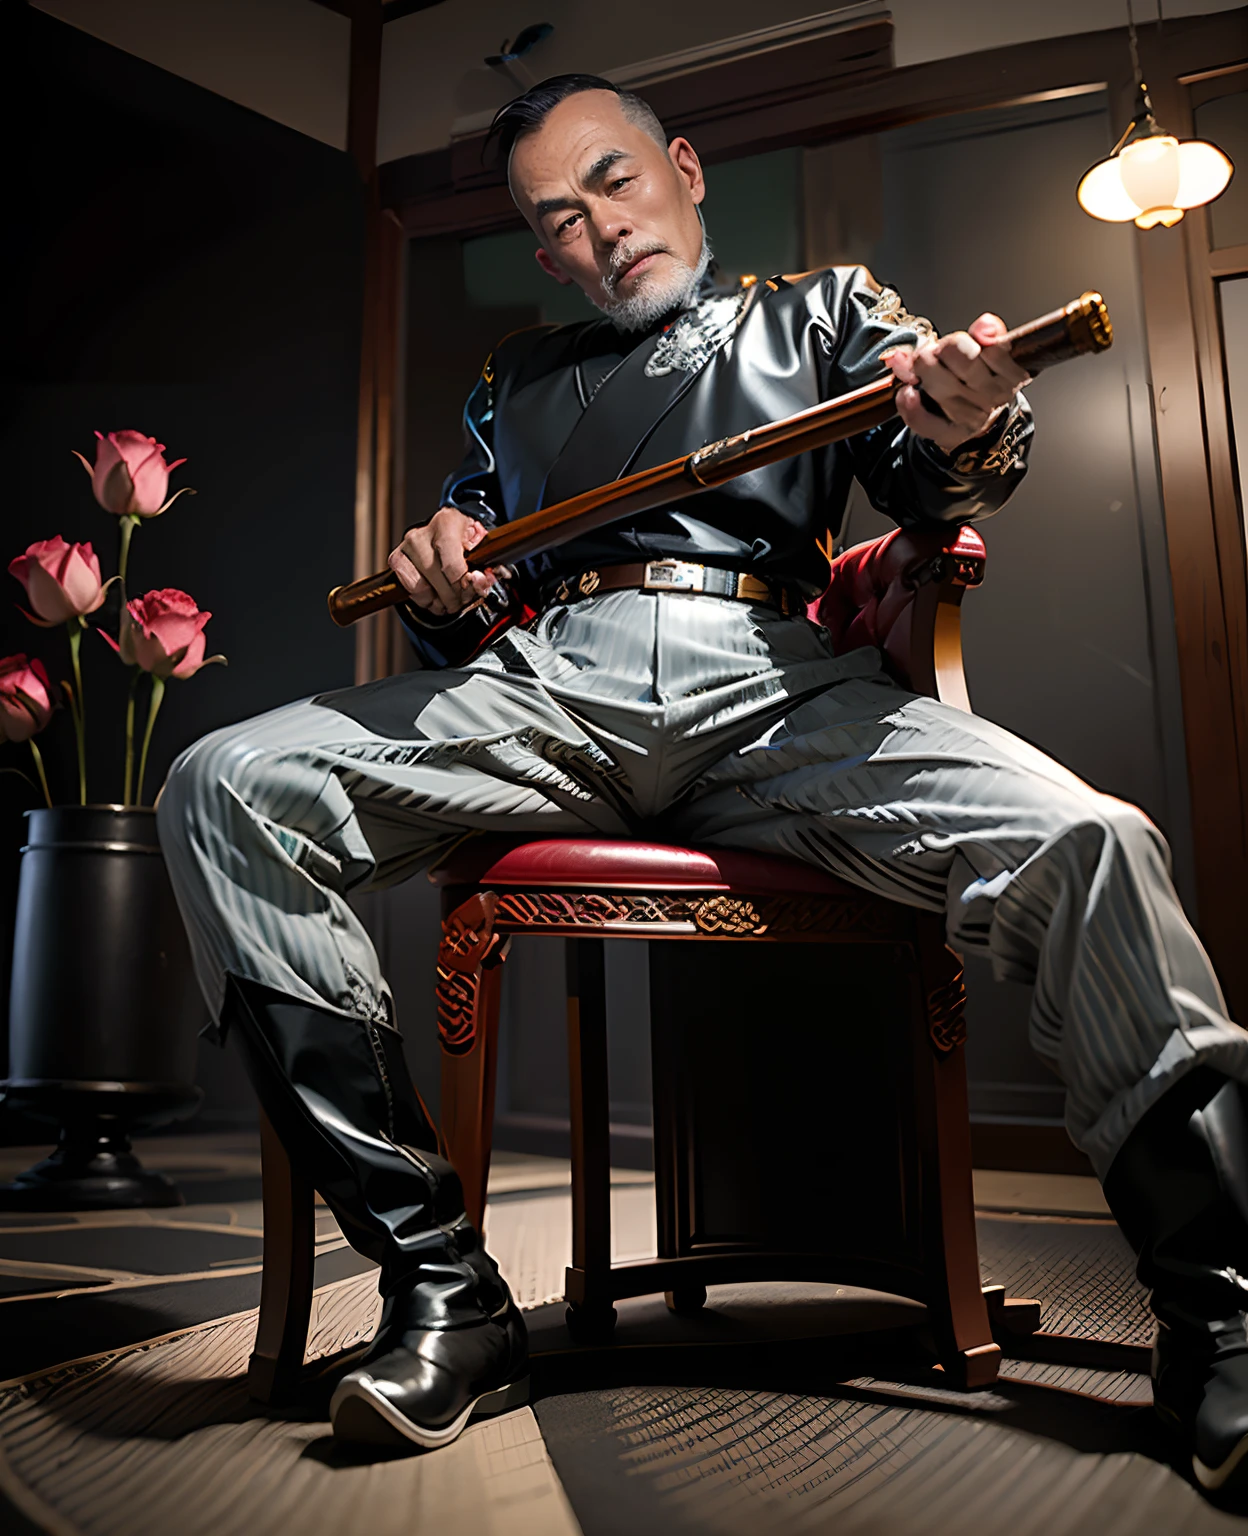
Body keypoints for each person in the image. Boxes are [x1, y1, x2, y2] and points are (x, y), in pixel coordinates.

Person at [158, 74, 1248, 1487]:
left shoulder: (826, 311)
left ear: (683, 170)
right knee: (225, 781)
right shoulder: (519, 383)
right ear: (545, 254)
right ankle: (446, 1291)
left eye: (615, 182)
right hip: (553, 688)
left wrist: (968, 426)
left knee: (1093, 838)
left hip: (780, 682)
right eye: (559, 217)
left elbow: (945, 476)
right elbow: (475, 594)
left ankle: (1221, 1322)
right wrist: (440, 573)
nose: (600, 230)